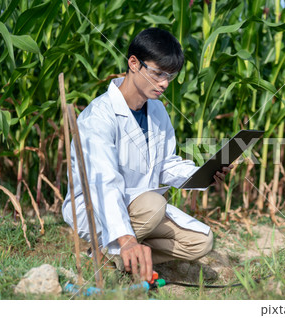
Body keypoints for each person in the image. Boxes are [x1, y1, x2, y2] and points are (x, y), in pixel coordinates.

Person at [62, 28, 232, 282]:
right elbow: (104, 184)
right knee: (154, 205)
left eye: (170, 76)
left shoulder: (156, 111)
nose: (164, 83)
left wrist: (202, 174)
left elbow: (165, 164)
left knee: (201, 241)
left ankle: (119, 259)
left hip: (142, 210)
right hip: (96, 209)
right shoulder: (99, 117)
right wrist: (127, 238)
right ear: (133, 63)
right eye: (158, 73)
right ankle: (107, 253)